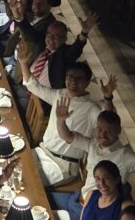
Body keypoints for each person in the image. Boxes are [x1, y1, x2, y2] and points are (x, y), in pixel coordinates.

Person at [16, 43, 114, 188]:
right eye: (70, 76)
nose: (73, 81)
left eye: (79, 78)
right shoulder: (60, 94)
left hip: (62, 165)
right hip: (42, 152)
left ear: (87, 82)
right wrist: (23, 62)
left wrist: (108, 98)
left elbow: (109, 122)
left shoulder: (91, 109)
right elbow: (33, 86)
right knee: (10, 166)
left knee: (24, 182)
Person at [51, 105, 135, 220]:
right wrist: (60, 120)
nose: (103, 135)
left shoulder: (125, 155)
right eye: (100, 130)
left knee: (48, 218)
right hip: (77, 198)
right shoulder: (93, 144)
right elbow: (67, 136)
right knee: (45, 198)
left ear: (118, 131)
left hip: (90, 213)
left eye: (108, 132)